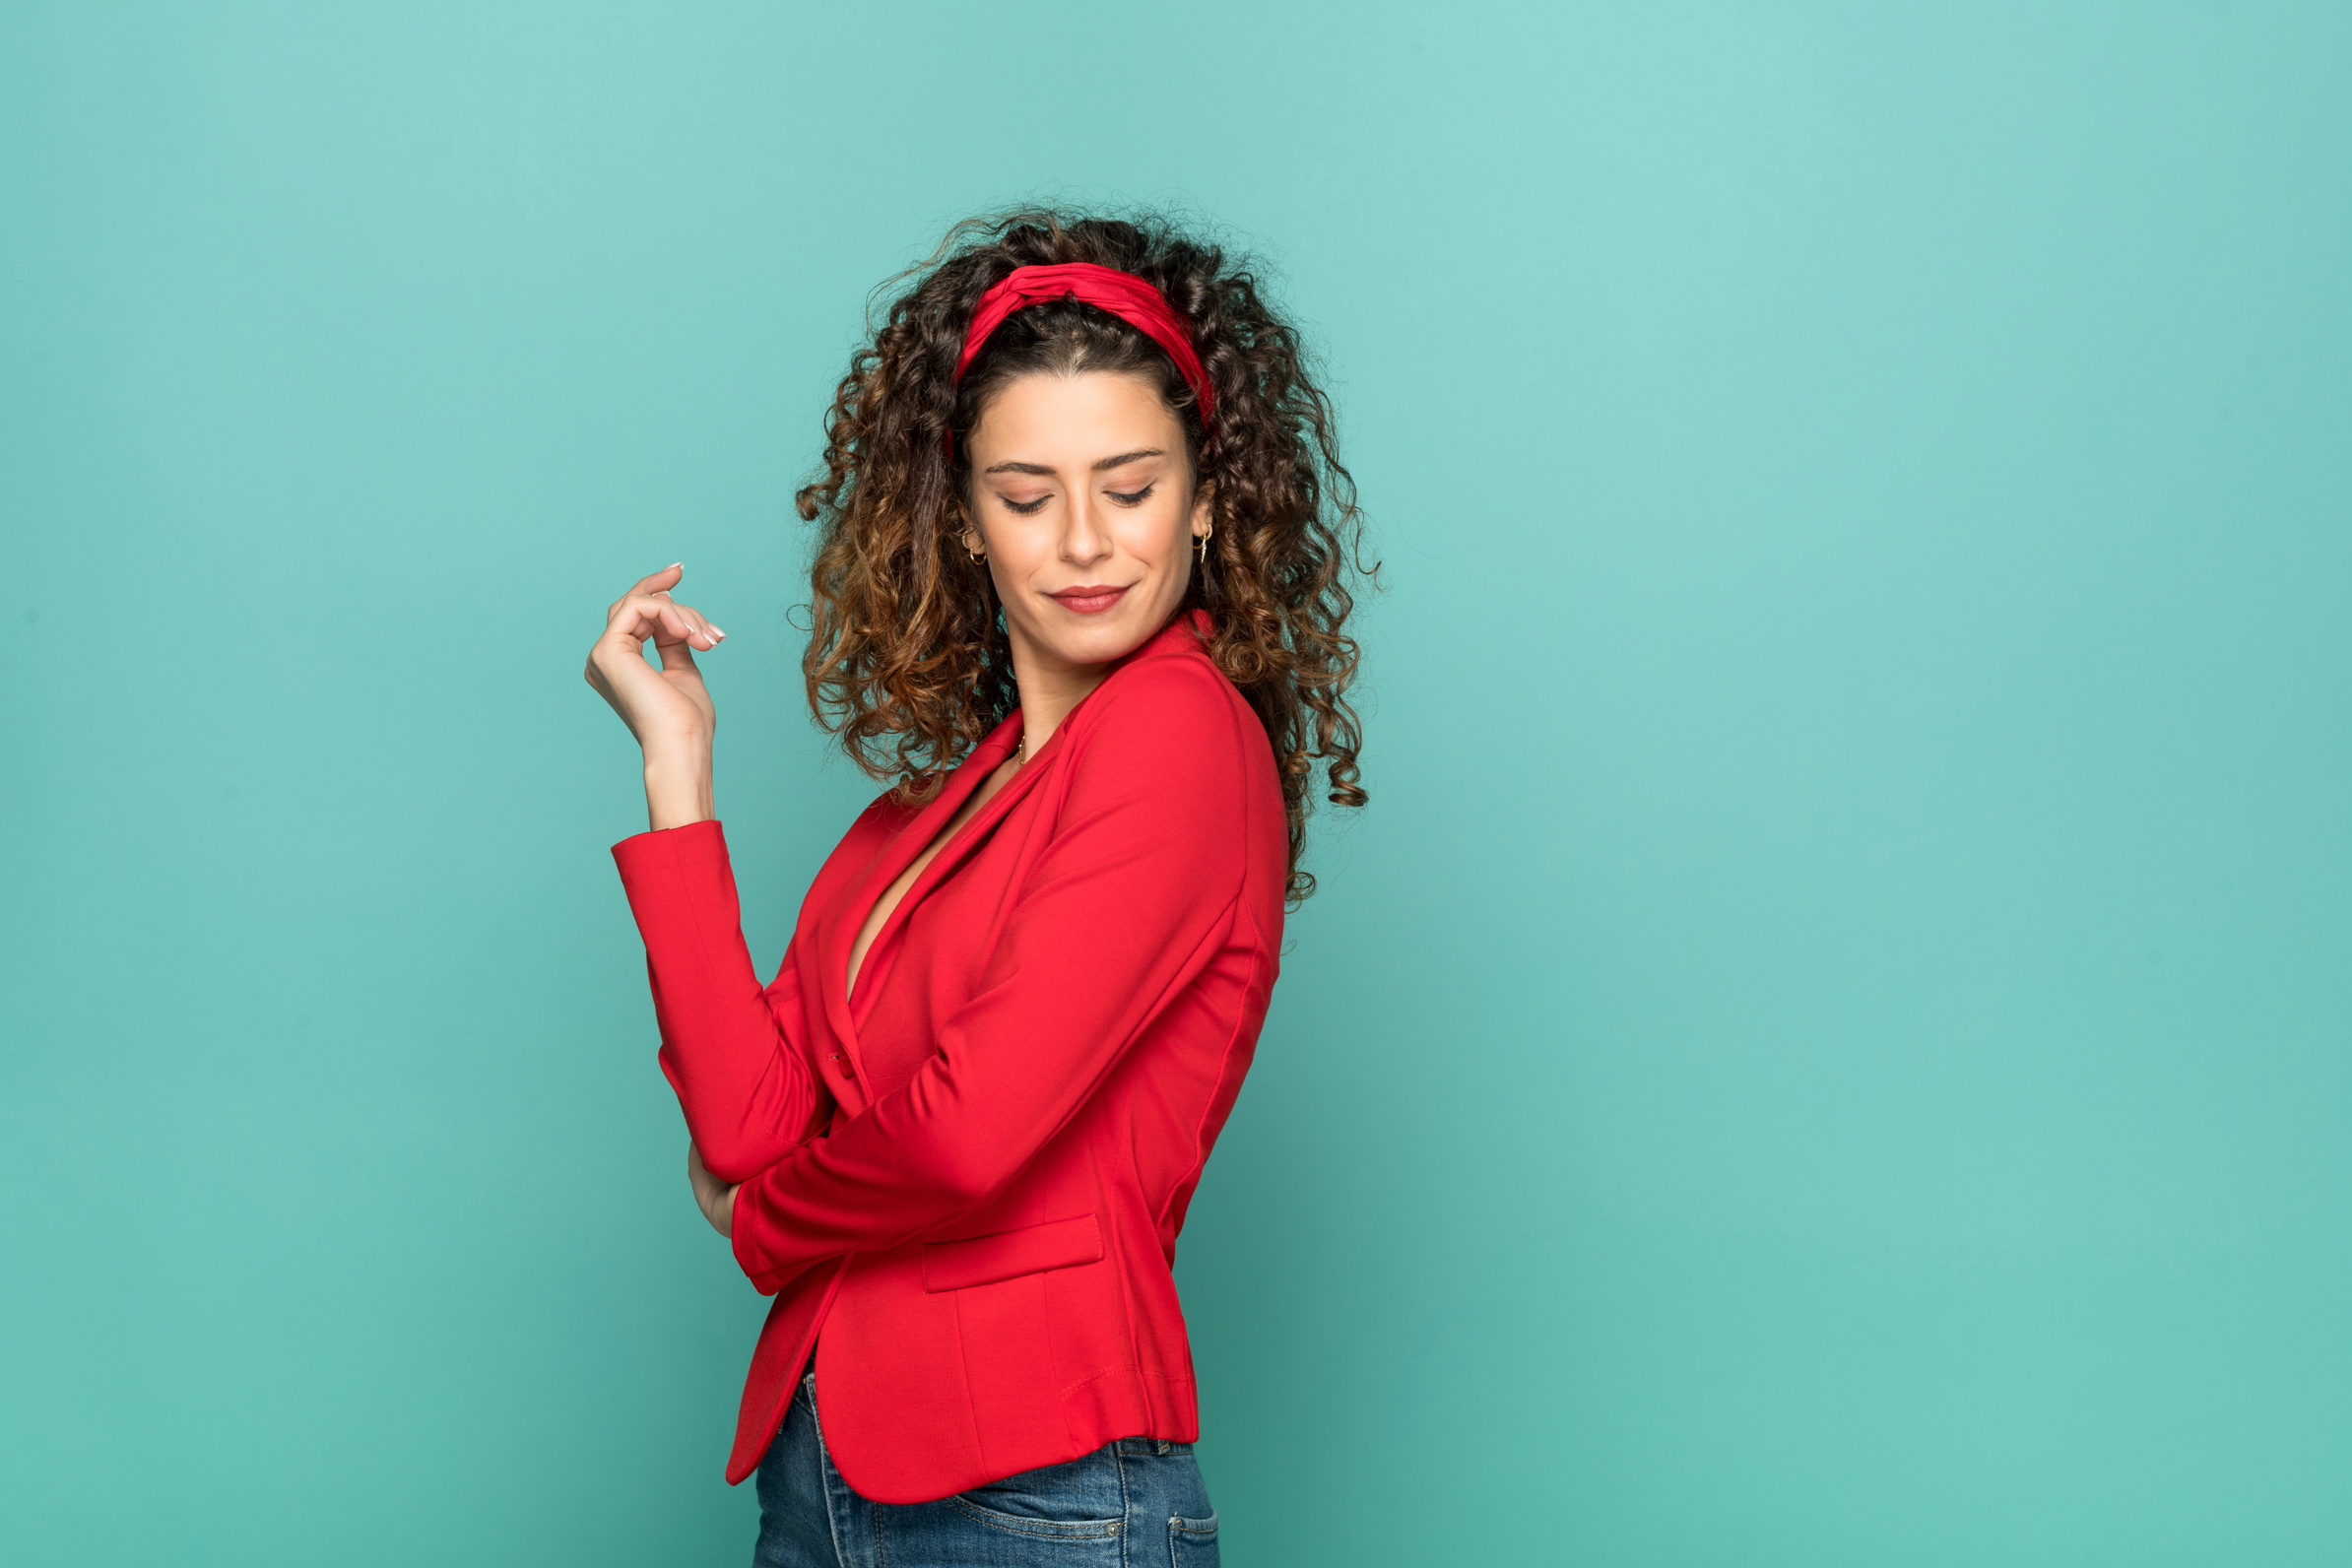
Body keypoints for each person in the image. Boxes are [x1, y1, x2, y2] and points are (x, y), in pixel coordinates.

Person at [585, 209, 1370, 1567]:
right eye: (1025, 495)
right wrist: (679, 770)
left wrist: (766, 1223)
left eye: (1129, 489)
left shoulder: (1182, 735)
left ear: (1205, 503)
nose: (1081, 540)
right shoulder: (931, 815)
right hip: (821, 1469)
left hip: (1038, 1487)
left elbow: (964, 1134)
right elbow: (748, 1120)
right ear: (962, 520)